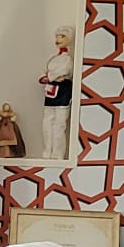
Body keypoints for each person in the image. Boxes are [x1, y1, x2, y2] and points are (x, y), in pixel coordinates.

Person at [40, 26, 75, 158]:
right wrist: (47, 77)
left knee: (60, 123)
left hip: (63, 91)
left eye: (62, 36)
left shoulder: (68, 59)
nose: (58, 39)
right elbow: (44, 71)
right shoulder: (52, 57)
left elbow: (65, 71)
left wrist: (50, 76)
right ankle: (47, 150)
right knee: (47, 121)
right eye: (57, 36)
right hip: (50, 90)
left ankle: (57, 153)